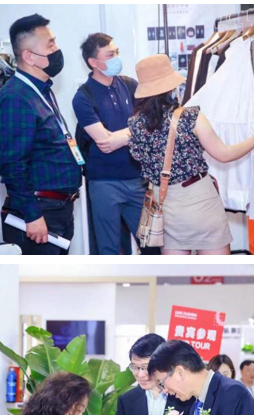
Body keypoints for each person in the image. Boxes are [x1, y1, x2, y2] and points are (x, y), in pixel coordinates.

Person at [127, 55, 254, 255]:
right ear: (170, 86)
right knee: (218, 274)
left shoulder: (135, 125)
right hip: (201, 202)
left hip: (165, 208)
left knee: (179, 275)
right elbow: (224, 154)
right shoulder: (190, 117)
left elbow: (138, 158)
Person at [0, 14, 82, 255]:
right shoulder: (15, 98)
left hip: (58, 209)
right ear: (29, 56)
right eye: (50, 44)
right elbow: (12, 165)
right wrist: (32, 215)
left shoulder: (42, 90)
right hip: (39, 213)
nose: (57, 49)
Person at [72, 33, 157, 256]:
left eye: (117, 52)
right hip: (104, 183)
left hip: (137, 179)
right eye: (110, 55)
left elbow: (150, 123)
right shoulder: (83, 97)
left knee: (151, 245)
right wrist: (135, 131)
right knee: (108, 248)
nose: (117, 58)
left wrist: (122, 135)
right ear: (93, 62)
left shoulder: (130, 85)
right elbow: (105, 142)